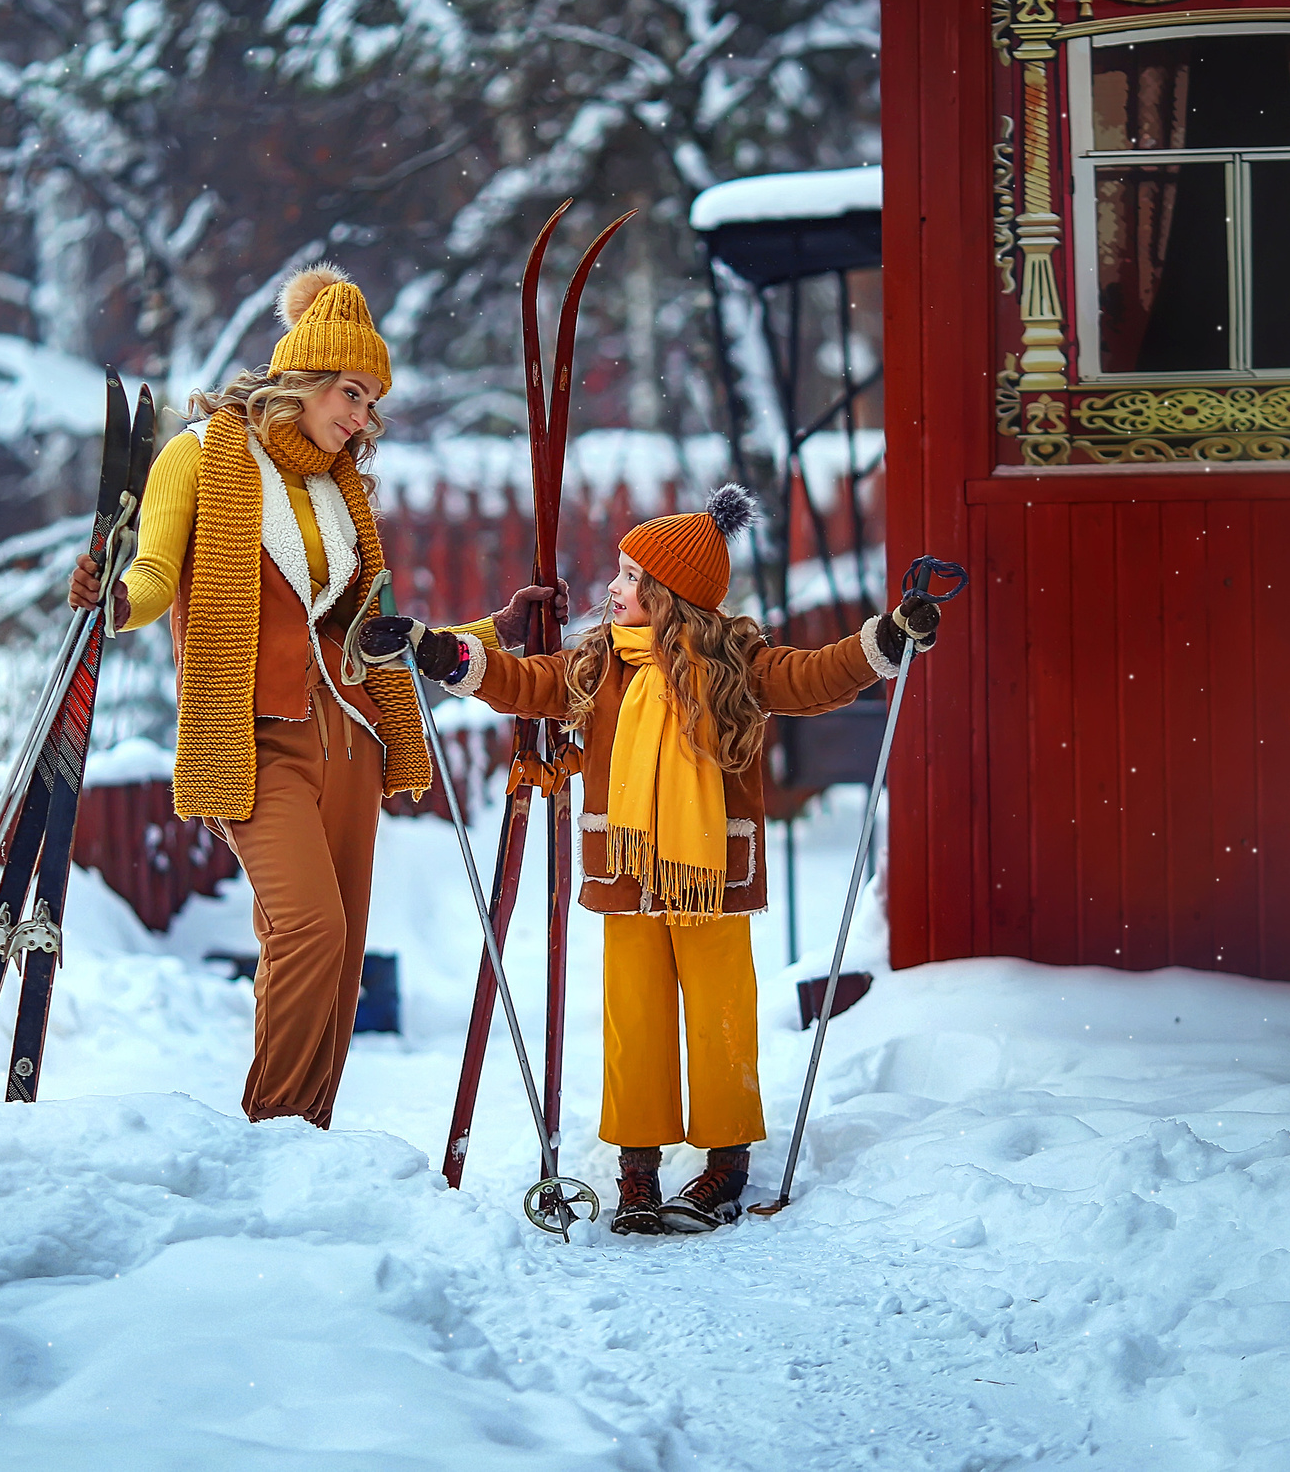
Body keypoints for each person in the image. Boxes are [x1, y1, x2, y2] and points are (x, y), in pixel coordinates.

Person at [361, 486, 942, 1232]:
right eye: (622, 571)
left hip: (711, 877)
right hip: (626, 870)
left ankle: (725, 1164)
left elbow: (812, 676)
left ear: (669, 594)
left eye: (633, 576)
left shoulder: (735, 659)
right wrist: (437, 648)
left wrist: (886, 640)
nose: (614, 586)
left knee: (718, 1016)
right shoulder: (601, 661)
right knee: (634, 1020)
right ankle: (638, 1168)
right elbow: (524, 683)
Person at [65, 264, 547, 1128]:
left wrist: (493, 630)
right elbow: (153, 574)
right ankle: (273, 1131)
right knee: (308, 929)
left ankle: (310, 1144)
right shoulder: (204, 453)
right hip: (255, 739)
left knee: (342, 953)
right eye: (351, 394)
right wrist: (111, 600)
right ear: (306, 378)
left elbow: (375, 637)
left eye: (370, 403)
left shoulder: (343, 491)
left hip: (352, 737)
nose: (361, 418)